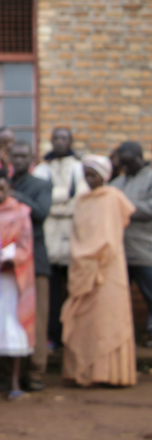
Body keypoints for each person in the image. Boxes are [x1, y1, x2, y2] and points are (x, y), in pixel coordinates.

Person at [61, 155, 137, 387]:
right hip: (82, 268)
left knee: (108, 320)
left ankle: (112, 374)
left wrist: (97, 256)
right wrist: (83, 258)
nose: (89, 179)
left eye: (93, 175)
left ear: (104, 176)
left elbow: (111, 235)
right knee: (85, 321)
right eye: (86, 175)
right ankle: (83, 372)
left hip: (109, 268)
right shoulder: (82, 200)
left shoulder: (114, 198)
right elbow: (78, 235)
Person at [0, 169, 35, 400]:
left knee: (12, 324)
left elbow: (26, 245)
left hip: (12, 278)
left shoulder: (20, 213)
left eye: (3, 189)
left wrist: (11, 258)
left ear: (9, 187)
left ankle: (14, 381)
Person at [32, 127, 88, 350]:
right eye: (56, 138)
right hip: (50, 239)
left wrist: (58, 200)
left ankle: (73, 337)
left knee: (74, 291)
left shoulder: (79, 168)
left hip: (74, 238)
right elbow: (42, 201)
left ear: (71, 141)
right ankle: (53, 336)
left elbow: (81, 198)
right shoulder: (42, 169)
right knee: (52, 292)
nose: (60, 142)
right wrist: (67, 196)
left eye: (65, 138)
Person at [8, 141, 53, 390]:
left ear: (32, 157)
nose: (20, 159)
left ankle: (36, 372)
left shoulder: (41, 185)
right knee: (13, 314)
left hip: (36, 260)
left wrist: (17, 197)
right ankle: (10, 371)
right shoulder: (5, 182)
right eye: (16, 154)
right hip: (11, 262)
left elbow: (41, 212)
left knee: (38, 316)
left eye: (24, 154)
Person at [109, 141, 152, 346]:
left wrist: (124, 206)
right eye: (121, 165)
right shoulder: (118, 182)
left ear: (138, 159)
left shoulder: (150, 178)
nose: (124, 168)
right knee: (118, 299)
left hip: (145, 250)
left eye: (127, 164)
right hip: (119, 252)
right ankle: (123, 340)